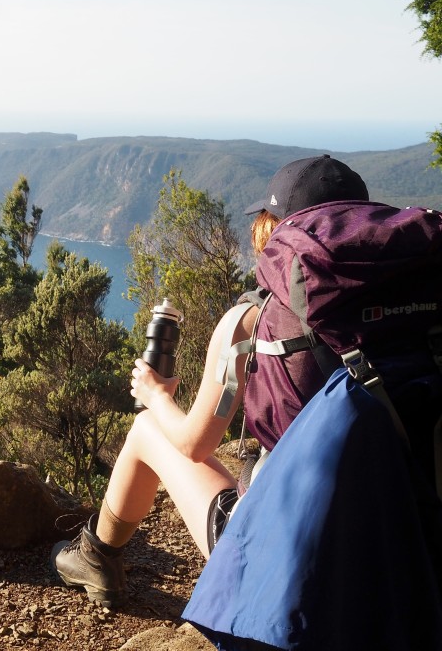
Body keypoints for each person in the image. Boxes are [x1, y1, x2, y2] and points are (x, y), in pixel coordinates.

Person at [49, 155, 370, 608]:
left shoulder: (252, 320)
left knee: (147, 430)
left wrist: (157, 396)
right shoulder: (416, 315)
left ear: (275, 230)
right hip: (403, 539)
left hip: (290, 558)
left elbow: (194, 444)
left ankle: (96, 557)